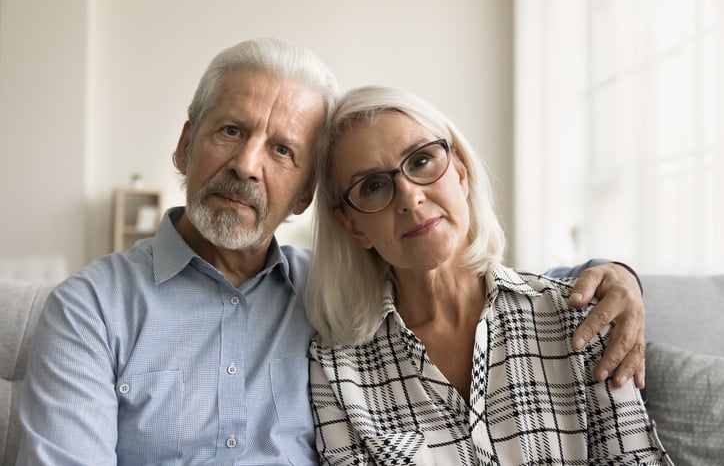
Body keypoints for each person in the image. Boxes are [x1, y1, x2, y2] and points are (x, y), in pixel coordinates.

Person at [17, 39, 644, 465]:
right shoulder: (91, 309)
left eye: (282, 150)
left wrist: (615, 275)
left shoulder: (335, 298)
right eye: (231, 130)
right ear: (185, 146)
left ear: (304, 199)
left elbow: (466, 276)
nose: (246, 164)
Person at [306, 85, 671, 464]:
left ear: (460, 172)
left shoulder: (578, 318)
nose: (410, 197)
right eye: (374, 186)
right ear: (353, 226)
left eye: (420, 161)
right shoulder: (337, 369)